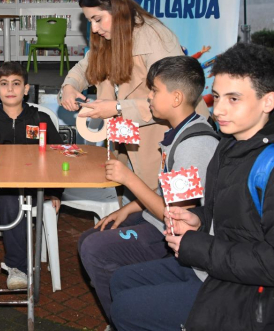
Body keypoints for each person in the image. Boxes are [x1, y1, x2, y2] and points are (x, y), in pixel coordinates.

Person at [109, 43, 274, 331]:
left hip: (251, 297)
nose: (219, 109)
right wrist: (199, 219)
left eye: (234, 99)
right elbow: (236, 217)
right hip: (221, 270)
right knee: (120, 280)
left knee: (126, 307)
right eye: (217, 96)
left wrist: (198, 246)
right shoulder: (231, 146)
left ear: (267, 101)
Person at [77, 56, 219, 324]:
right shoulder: (181, 132)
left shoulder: (194, 145)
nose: (149, 97)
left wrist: (129, 179)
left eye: (154, 90)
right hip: (156, 217)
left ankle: (125, 319)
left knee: (95, 249)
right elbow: (166, 191)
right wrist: (128, 208)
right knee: (89, 238)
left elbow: (176, 218)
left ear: (176, 98)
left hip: (169, 232)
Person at [59, 0, 208, 192]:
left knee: (168, 201)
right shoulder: (110, 37)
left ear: (117, 10)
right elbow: (84, 68)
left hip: (165, 136)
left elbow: (174, 99)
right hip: (128, 137)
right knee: (132, 194)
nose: (94, 28)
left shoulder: (155, 36)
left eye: (98, 19)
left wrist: (117, 108)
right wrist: (69, 87)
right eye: (90, 21)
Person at [0, 62, 62, 292]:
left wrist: (55, 191)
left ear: (26, 89)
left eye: (16, 84)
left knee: (9, 197)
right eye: (4, 84)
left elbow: (58, 156)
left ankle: (18, 267)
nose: (10, 89)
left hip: (27, 188)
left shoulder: (41, 119)